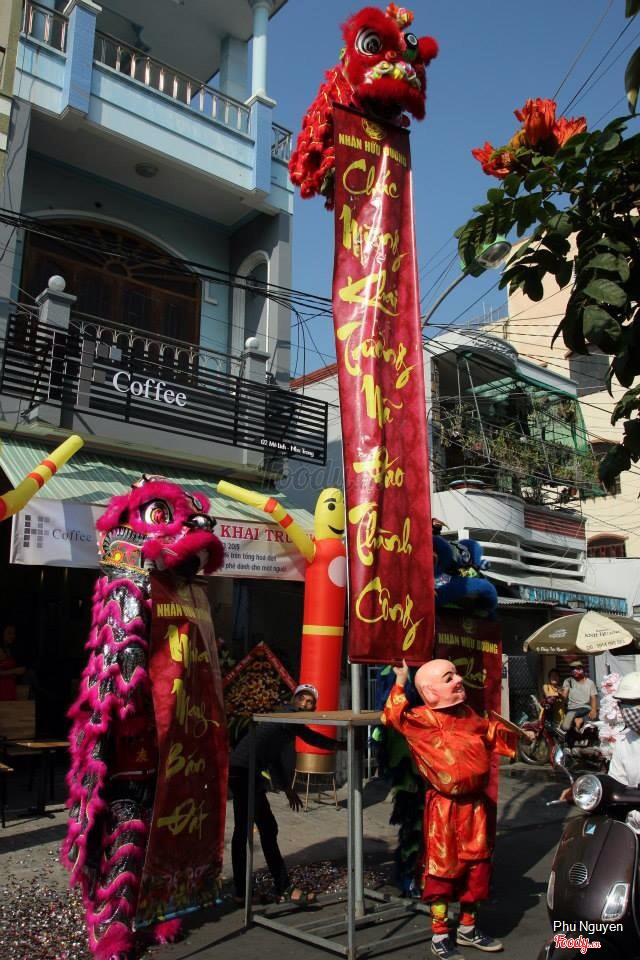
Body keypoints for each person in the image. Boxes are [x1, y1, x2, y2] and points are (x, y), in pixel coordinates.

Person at [381, 658, 532, 960]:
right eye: (449, 678)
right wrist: (400, 680)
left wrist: (521, 733)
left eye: (457, 674)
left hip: (475, 807)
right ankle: (439, 934)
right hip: (444, 809)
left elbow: (491, 732)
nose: (460, 680)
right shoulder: (421, 718)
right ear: (430, 692)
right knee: (443, 871)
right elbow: (392, 715)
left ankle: (468, 927)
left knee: (477, 867)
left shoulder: (469, 715)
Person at [228, 681, 345, 906]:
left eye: (310, 702)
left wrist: (288, 789)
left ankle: (244, 892)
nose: (305, 704)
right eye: (302, 698)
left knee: (249, 831)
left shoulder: (285, 722)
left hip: (244, 771)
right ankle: (281, 888)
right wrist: (340, 745)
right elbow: (311, 737)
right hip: (244, 772)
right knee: (262, 829)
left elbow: (273, 758)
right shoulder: (288, 716)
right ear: (294, 700)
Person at [560, 660, 597, 733]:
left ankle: (580, 720)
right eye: (572, 669)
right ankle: (578, 720)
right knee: (564, 727)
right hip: (572, 709)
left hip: (585, 709)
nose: (574, 671)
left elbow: (593, 698)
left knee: (596, 716)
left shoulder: (590, 683)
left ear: (583, 669)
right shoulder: (568, 681)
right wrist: (561, 694)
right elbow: (564, 695)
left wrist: (594, 710)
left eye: (577, 668)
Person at [0, 623, 25, 700]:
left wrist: (13, 673)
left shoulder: (8, 649)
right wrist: (14, 671)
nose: (13, 636)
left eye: (14, 633)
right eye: (9, 633)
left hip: (9, 686)